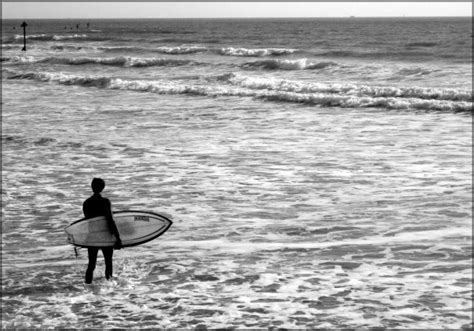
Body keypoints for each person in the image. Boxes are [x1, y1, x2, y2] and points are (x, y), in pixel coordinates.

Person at [83, 178, 122, 284]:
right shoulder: (105, 202)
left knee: (91, 264)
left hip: (93, 236)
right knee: (108, 262)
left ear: (92, 187)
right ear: (102, 188)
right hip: (105, 235)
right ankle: (109, 288)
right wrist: (117, 237)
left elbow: (88, 221)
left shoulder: (86, 203)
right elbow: (110, 220)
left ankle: (88, 287)